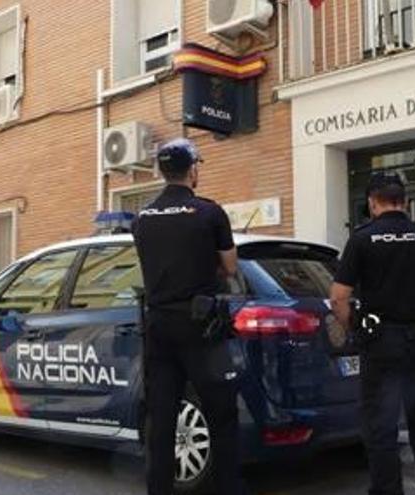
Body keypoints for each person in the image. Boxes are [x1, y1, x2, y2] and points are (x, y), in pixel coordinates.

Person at [329, 173, 415, 495]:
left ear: (372, 203)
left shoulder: (362, 238)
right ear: (406, 202)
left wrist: (354, 329)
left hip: (381, 345)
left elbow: (338, 297)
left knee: (381, 429)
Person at [132, 138, 245, 495]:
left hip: (158, 326)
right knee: (222, 416)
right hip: (200, 326)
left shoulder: (142, 218)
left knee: (162, 419)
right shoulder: (209, 212)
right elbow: (229, 267)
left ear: (161, 172)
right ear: (192, 170)